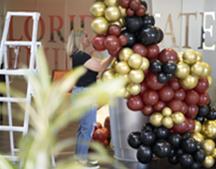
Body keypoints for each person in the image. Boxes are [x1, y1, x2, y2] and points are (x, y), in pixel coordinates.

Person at [66, 29, 114, 169]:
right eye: (86, 37)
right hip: (85, 94)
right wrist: (112, 55)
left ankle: (80, 158)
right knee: (87, 128)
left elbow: (98, 64)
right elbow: (100, 67)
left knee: (84, 128)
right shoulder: (81, 56)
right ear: (80, 39)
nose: (89, 39)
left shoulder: (79, 55)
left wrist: (110, 56)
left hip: (82, 93)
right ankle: (81, 161)